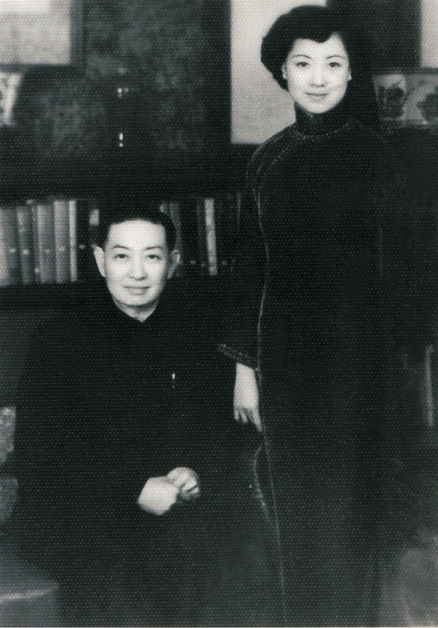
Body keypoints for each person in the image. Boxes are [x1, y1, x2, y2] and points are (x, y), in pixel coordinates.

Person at [218, 5, 432, 626]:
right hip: (286, 374)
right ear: (282, 72)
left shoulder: (382, 159)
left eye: (333, 64)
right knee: (297, 525)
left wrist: (396, 380)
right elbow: (250, 270)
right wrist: (245, 369)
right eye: (304, 63)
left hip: (361, 376)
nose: (318, 78)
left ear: (351, 71)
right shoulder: (267, 160)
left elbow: (407, 282)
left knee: (354, 528)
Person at [10, 196, 238, 626]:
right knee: (122, 578)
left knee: (223, 560)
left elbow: (218, 432)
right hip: (80, 516)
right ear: (101, 261)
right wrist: (132, 488)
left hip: (173, 510)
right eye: (121, 256)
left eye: (152, 257)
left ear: (172, 263)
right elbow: (39, 456)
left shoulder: (198, 336)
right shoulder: (58, 340)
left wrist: (195, 472)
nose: (137, 273)